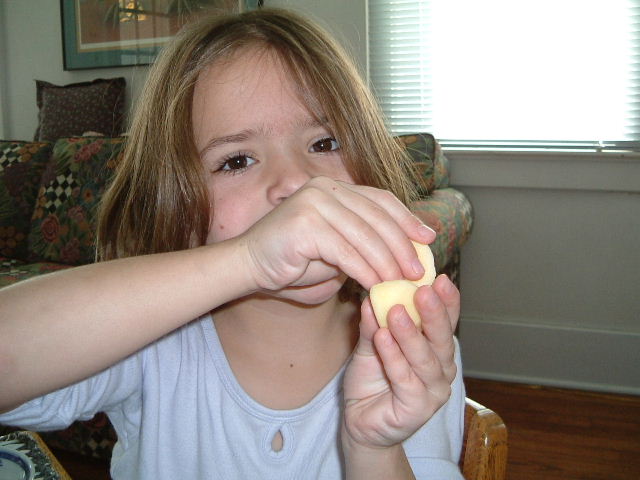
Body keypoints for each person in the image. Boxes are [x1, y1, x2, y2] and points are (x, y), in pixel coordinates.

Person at [0, 8, 465, 479]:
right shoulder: (149, 339)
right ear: (179, 207)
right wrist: (248, 260)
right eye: (237, 160)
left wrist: (375, 450)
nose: (297, 183)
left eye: (325, 144)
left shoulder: (406, 343)